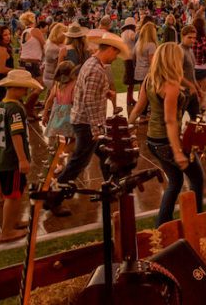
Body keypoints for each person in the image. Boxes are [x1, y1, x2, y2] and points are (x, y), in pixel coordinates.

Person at [48, 33, 128, 217]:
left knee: (107, 154)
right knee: (78, 163)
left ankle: (111, 188)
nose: (116, 58)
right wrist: (96, 129)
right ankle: (53, 198)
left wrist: (104, 92)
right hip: (88, 124)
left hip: (85, 121)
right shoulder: (96, 70)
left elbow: (86, 91)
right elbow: (90, 100)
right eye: (116, 53)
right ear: (109, 49)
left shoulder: (91, 64)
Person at [129, 43, 204, 227]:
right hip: (166, 141)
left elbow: (139, 107)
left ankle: (162, 226)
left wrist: (129, 123)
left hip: (153, 141)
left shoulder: (150, 79)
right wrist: (178, 152)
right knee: (197, 178)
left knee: (176, 181)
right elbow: (170, 120)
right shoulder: (170, 86)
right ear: (173, 59)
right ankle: (196, 222)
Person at [0, 69, 42, 241]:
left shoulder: (1, 105)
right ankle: (6, 231)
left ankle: (13, 222)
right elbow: (16, 134)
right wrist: (22, 159)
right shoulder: (15, 109)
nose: (26, 92)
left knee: (15, 193)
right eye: (24, 89)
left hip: (2, 156)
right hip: (12, 159)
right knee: (12, 196)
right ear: (14, 88)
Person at [42, 61, 77, 152]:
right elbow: (74, 101)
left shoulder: (57, 84)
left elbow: (49, 100)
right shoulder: (74, 84)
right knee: (74, 138)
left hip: (57, 114)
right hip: (69, 115)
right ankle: (63, 152)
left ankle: (57, 152)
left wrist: (45, 114)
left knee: (59, 138)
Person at [178, 25, 202, 120]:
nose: (193, 40)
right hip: (182, 92)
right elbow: (177, 74)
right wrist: (192, 86)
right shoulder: (179, 50)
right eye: (189, 37)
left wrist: (198, 89)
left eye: (194, 38)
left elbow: (192, 73)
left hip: (191, 92)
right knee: (178, 120)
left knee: (196, 119)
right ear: (183, 36)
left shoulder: (190, 50)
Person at [192, 20, 206, 109]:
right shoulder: (204, 41)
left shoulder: (191, 41)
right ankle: (201, 112)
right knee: (204, 94)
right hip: (202, 69)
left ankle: (195, 112)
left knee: (195, 93)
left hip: (192, 69)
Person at [120, 17, 138, 109]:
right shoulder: (131, 32)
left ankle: (129, 98)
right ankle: (129, 98)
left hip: (125, 57)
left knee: (130, 78)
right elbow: (136, 39)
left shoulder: (123, 33)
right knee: (131, 79)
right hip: (131, 57)